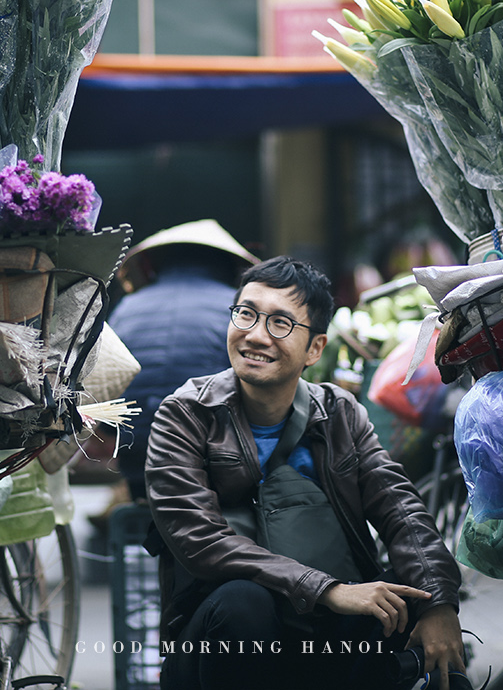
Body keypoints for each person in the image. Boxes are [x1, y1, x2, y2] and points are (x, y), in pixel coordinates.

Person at [145, 255, 465, 690]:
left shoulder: (340, 413)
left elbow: (400, 508)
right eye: (246, 314)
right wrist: (327, 589)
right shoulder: (186, 415)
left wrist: (439, 604)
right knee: (244, 602)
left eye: (280, 323)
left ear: (315, 348)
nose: (256, 335)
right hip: (223, 646)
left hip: (325, 637)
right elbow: (201, 542)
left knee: (392, 601)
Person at [109, 219, 257, 502]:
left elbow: (104, 379)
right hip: (208, 452)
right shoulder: (238, 310)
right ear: (227, 263)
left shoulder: (128, 307)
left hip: (135, 448)